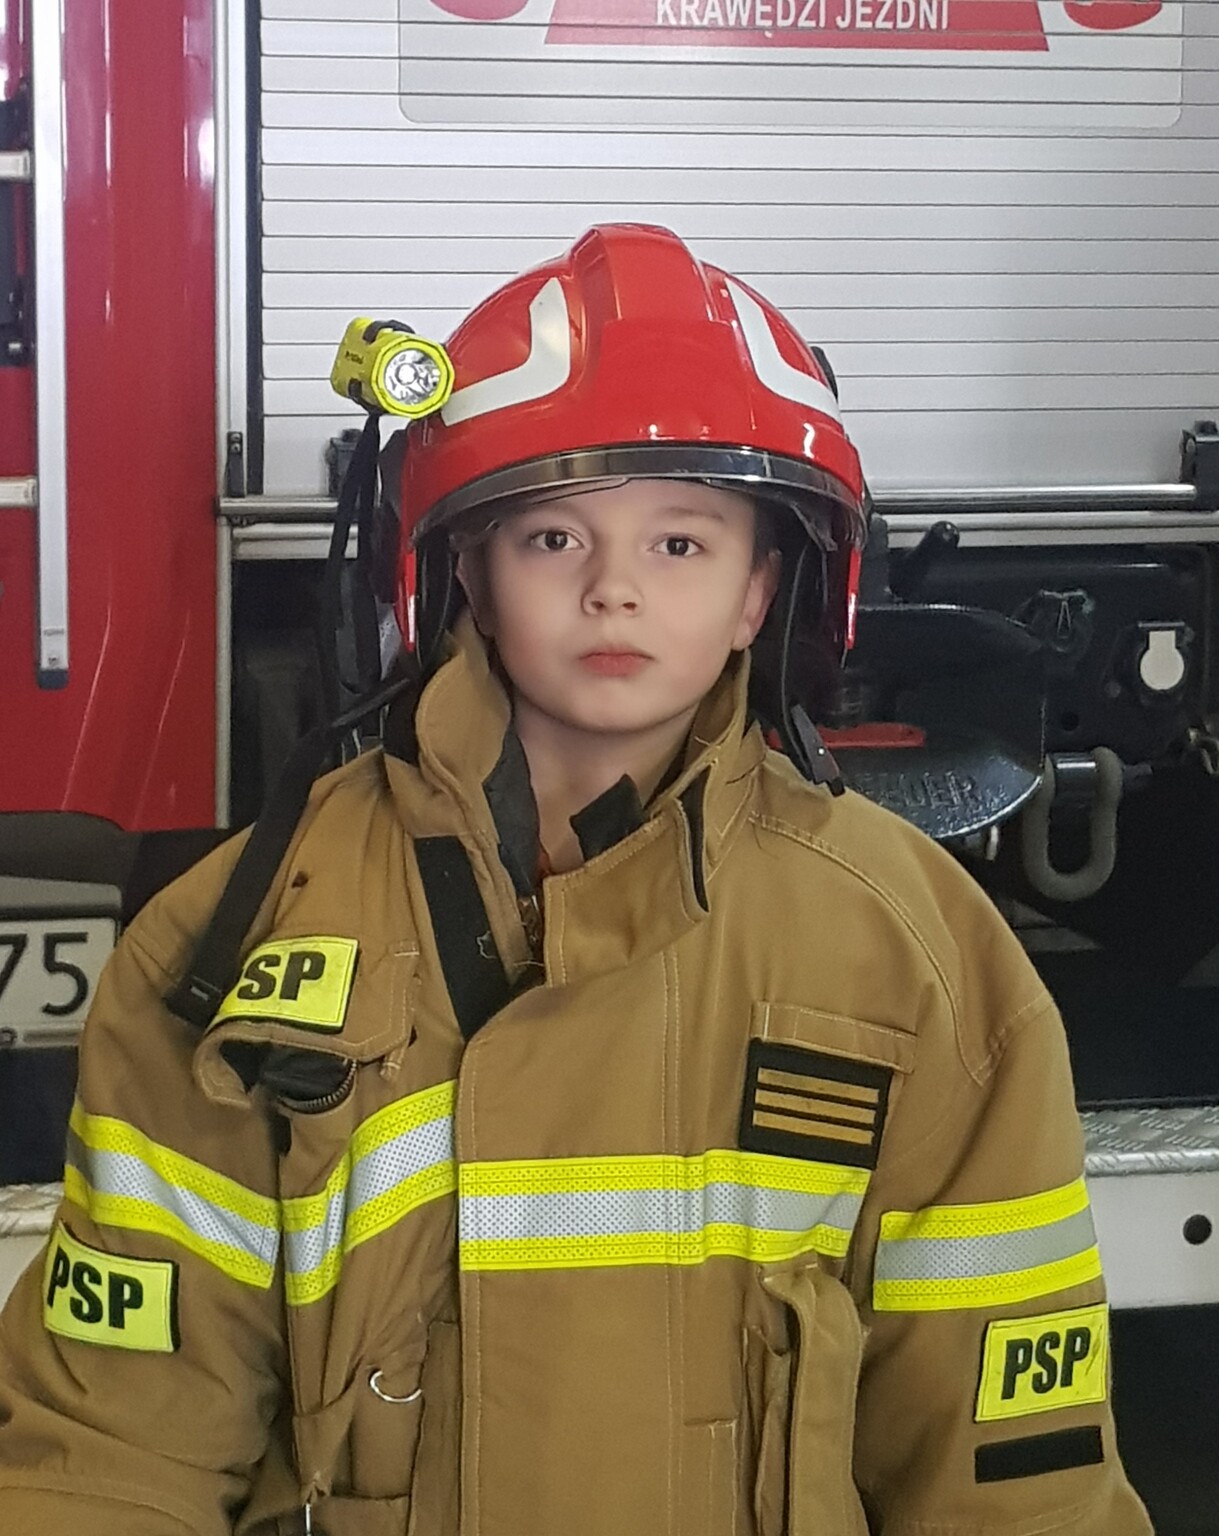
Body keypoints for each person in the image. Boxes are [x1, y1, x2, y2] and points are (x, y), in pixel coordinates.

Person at [0, 224, 1151, 1536]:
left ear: (762, 592)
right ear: (466, 577)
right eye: (552, 537)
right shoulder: (236, 941)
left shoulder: (917, 957)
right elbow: (113, 1445)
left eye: (680, 545)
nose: (613, 591)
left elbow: (1015, 1485)